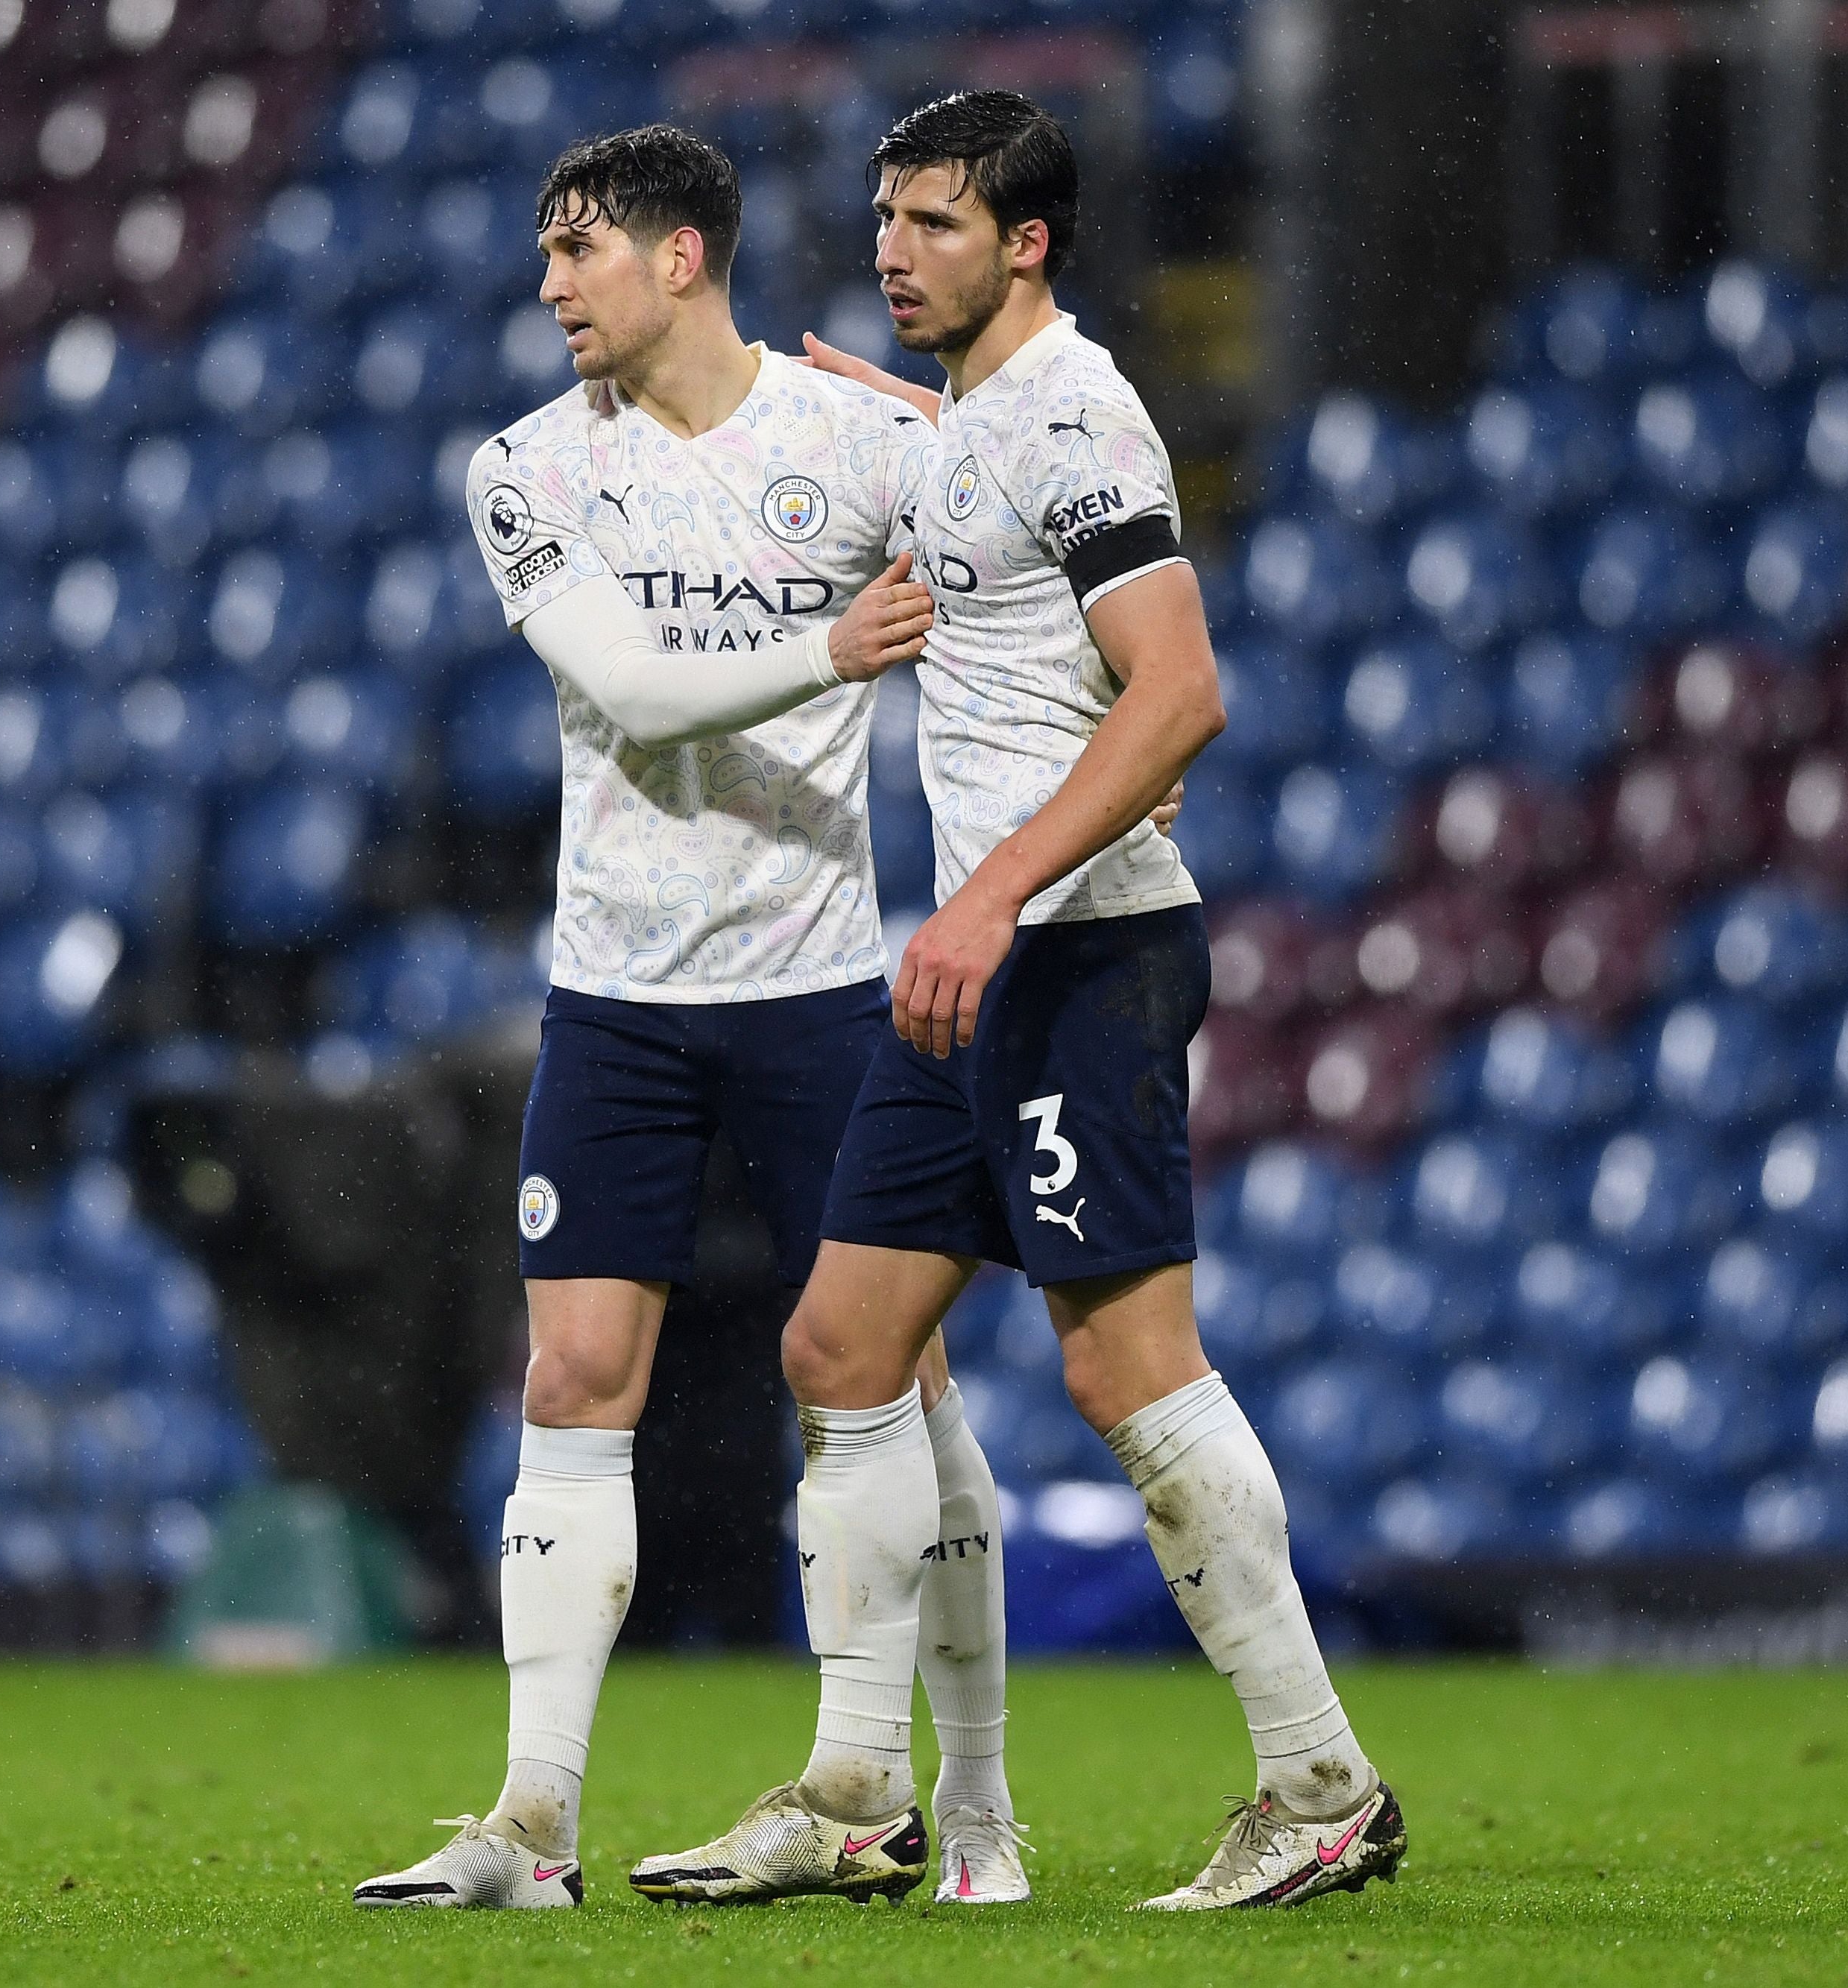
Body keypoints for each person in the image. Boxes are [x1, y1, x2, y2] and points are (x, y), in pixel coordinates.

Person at [631, 91, 1407, 1913]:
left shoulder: (1069, 413)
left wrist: (980, 895)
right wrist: (900, 411)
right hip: (979, 971)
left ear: (1028, 240)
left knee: (1122, 1366)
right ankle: (854, 1793)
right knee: (837, 1348)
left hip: (1075, 953)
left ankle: (1317, 1783)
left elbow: (1178, 686)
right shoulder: (986, 413)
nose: (894, 247)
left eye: (935, 223)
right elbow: (1002, 517)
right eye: (887, 216)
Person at [356, 122, 1114, 1913]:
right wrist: (834, 649)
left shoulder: (860, 442)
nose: (548, 288)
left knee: (899, 1386)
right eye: (544, 257)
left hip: (820, 993)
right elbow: (624, 686)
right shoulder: (526, 469)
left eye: (578, 253)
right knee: (573, 1377)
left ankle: (972, 1805)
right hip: (612, 1000)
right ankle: (529, 1823)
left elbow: (1036, 534)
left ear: (680, 257)